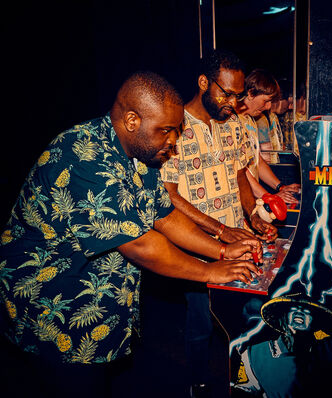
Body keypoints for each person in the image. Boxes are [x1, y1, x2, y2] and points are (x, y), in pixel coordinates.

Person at [0, 71, 263, 398]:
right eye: (166, 131)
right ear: (132, 120)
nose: (173, 141)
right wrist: (210, 271)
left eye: (177, 130)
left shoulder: (142, 156)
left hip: (100, 311)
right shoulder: (82, 156)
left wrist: (222, 250)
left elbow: (165, 218)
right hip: (53, 316)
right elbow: (140, 245)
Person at [160, 50, 278, 397]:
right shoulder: (175, 126)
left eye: (238, 95)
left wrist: (253, 215)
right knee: (201, 319)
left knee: (241, 315)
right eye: (225, 93)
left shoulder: (236, 125)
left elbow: (242, 174)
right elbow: (168, 195)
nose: (232, 102)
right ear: (203, 83)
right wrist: (219, 229)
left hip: (237, 238)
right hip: (197, 243)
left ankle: (245, 379)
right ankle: (198, 383)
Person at [229, 255, 332, 398]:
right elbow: (244, 392)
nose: (300, 311)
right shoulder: (254, 354)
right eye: (294, 308)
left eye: (306, 310)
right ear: (282, 318)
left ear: (316, 322)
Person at [237, 69, 300, 205]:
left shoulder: (250, 120)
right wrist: (269, 197)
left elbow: (257, 160)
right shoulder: (233, 121)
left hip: (252, 197)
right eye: (266, 101)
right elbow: (241, 171)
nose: (268, 107)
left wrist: (280, 187)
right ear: (251, 93)